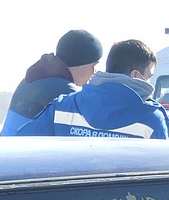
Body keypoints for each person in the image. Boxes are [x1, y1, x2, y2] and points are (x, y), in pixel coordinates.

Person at [16, 38, 169, 140]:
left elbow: (22, 145)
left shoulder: (63, 107)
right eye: (149, 76)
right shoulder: (152, 120)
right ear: (135, 75)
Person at [0, 29, 103, 136]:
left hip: (8, 148)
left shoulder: (31, 80)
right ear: (81, 63)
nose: (95, 71)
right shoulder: (67, 93)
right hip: (28, 151)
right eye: (94, 64)